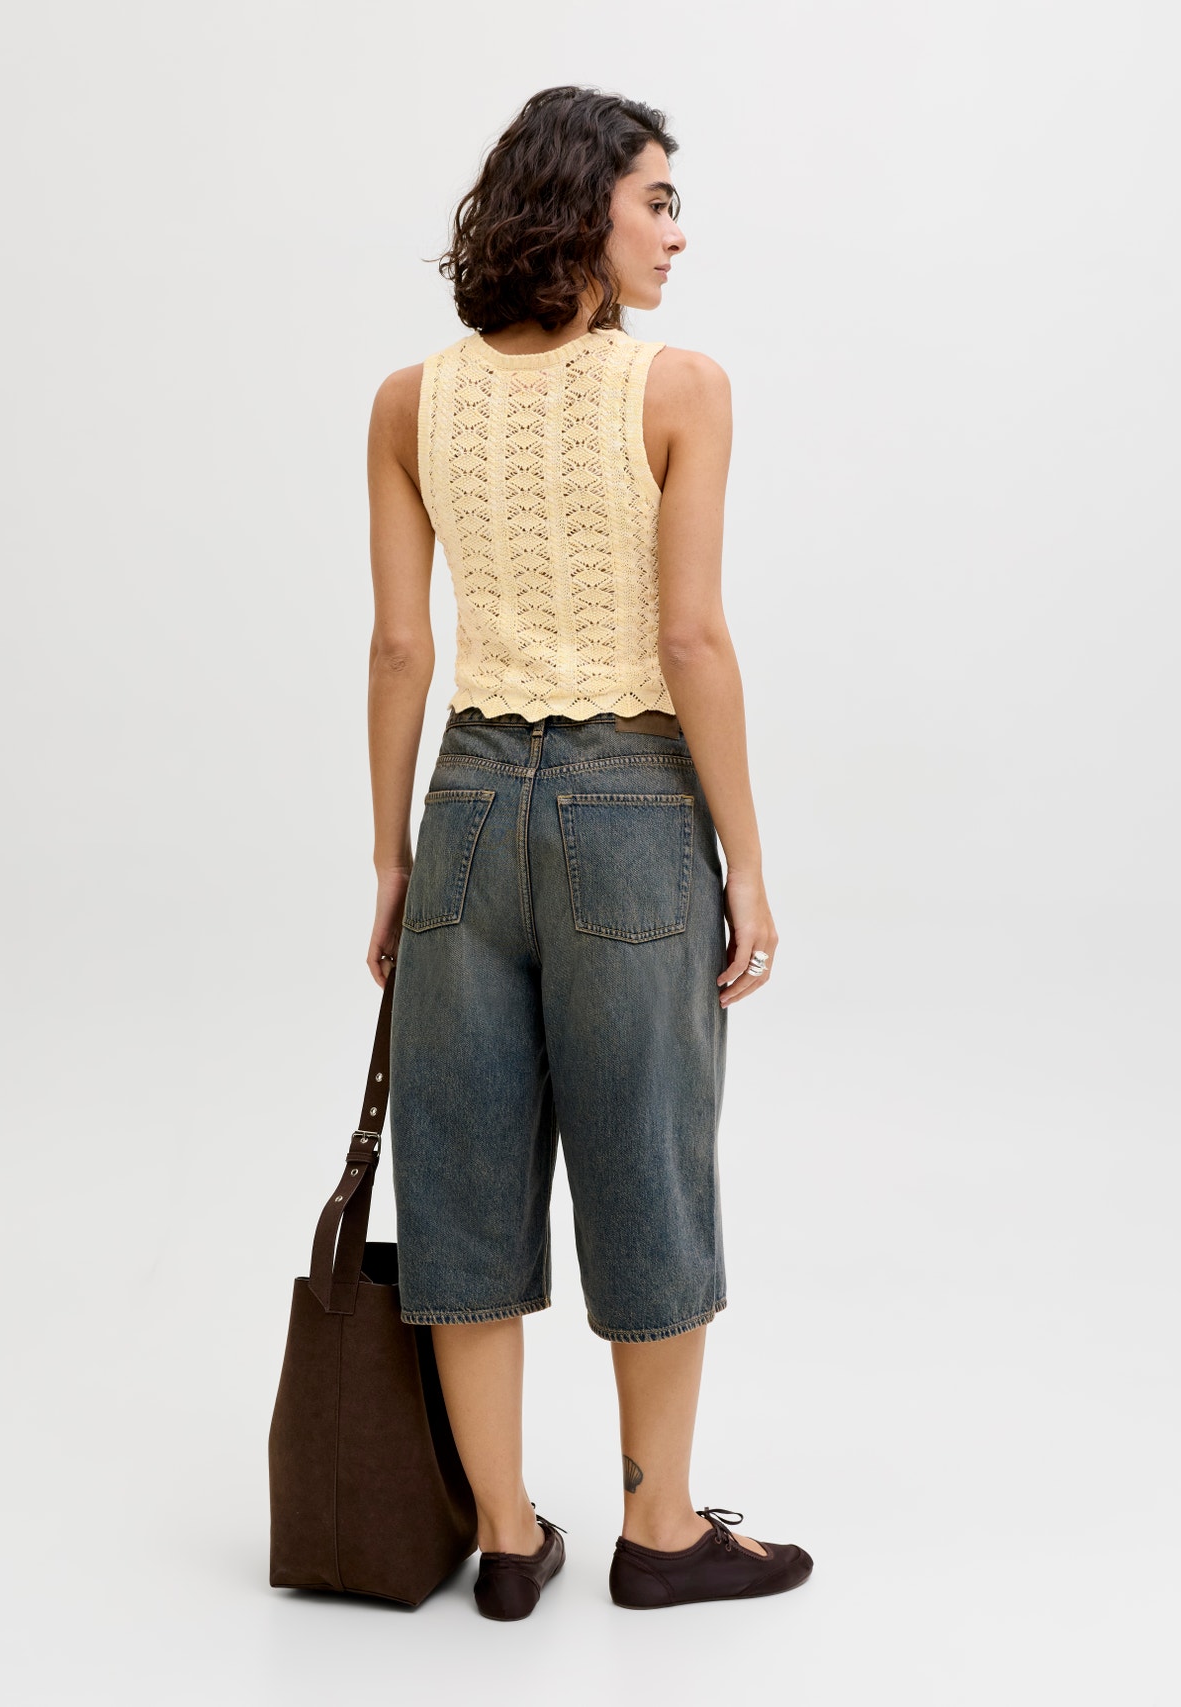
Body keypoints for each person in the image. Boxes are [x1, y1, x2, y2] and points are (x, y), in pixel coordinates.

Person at [364, 85, 812, 1619]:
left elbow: (401, 650)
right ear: (584, 208)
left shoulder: (410, 401)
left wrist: (392, 861)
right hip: (630, 803)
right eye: (658, 201)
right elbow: (690, 640)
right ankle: (660, 1530)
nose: (677, 233)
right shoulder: (679, 389)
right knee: (649, 1160)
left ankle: (506, 1540)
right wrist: (746, 862)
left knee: (461, 1174)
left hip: (467, 808)